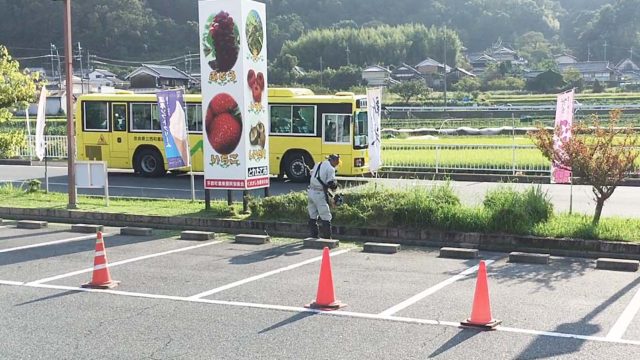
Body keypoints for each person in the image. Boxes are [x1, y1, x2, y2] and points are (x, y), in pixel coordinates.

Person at [307, 154, 340, 239]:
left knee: (312, 215)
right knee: (326, 216)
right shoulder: (330, 169)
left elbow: (312, 174)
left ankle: (313, 236)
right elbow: (331, 184)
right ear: (332, 160)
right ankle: (327, 238)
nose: (337, 164)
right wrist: (336, 186)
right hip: (319, 193)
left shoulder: (318, 164)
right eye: (337, 162)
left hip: (310, 191)